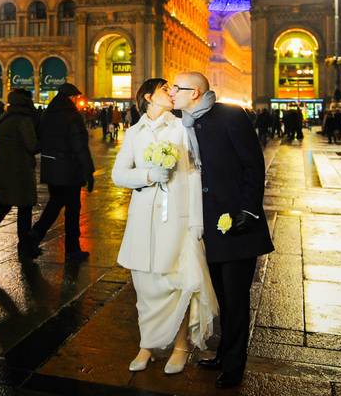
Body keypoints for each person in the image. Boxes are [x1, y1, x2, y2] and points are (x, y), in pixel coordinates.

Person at [171, 72, 273, 389]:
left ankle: (234, 364)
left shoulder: (230, 116)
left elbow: (253, 166)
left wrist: (247, 210)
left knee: (235, 298)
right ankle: (223, 354)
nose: (172, 92)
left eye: (178, 88)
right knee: (217, 295)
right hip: (204, 227)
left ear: (196, 92)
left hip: (236, 226)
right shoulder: (180, 125)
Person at [112, 78, 217, 375]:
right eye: (164, 89)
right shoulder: (134, 133)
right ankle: (147, 345)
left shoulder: (182, 128)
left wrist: (196, 221)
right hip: (143, 220)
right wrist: (147, 175)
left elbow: (195, 174)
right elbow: (119, 174)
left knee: (176, 283)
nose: (170, 93)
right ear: (148, 97)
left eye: (172, 89)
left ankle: (180, 346)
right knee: (145, 285)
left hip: (177, 219)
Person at [29, 83, 95, 261]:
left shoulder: (48, 114)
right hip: (69, 171)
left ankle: (34, 235)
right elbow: (79, 147)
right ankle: (72, 250)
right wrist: (88, 170)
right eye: (76, 97)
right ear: (71, 98)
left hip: (51, 168)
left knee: (55, 204)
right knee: (72, 209)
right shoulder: (72, 116)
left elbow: (39, 139)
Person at [0, 89, 41, 259]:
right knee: (24, 206)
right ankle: (24, 247)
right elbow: (32, 145)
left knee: (3, 205)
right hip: (19, 170)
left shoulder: (5, 116)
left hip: (3, 167)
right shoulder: (24, 120)